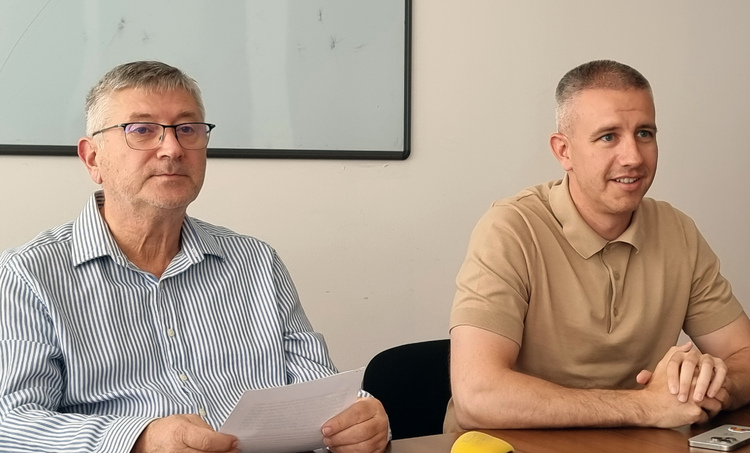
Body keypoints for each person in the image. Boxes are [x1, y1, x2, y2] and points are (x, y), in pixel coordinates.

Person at [0, 61, 389, 453]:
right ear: (93, 158)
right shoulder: (29, 275)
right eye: (141, 130)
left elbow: (320, 394)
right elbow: (11, 424)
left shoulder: (257, 263)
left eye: (187, 130)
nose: (172, 149)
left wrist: (359, 420)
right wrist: (139, 440)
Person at [445, 59, 750, 431]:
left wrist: (712, 386)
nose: (633, 157)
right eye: (608, 137)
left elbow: (743, 354)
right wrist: (645, 407)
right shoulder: (510, 230)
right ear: (564, 151)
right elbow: (477, 395)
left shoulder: (678, 232)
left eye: (644, 133)